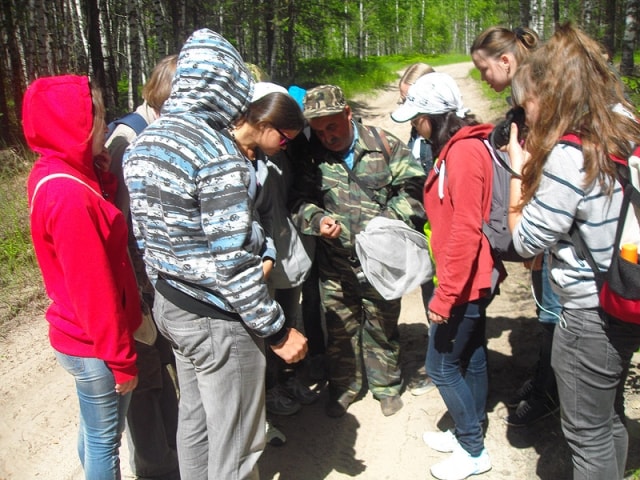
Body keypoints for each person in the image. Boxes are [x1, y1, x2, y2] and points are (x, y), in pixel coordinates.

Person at [123, 29, 307, 480]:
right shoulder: (217, 153)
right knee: (239, 446)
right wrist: (278, 331)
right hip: (217, 319)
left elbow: (146, 236)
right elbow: (232, 263)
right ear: (225, 87)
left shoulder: (146, 141)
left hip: (172, 305)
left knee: (198, 422)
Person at [506, 23, 640, 480]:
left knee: (586, 434)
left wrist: (518, 174)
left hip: (590, 313)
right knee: (609, 415)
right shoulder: (624, 124)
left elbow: (526, 241)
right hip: (626, 294)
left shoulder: (571, 155)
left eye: (528, 105)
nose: (526, 117)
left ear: (552, 94)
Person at [24, 74, 141, 479]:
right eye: (98, 117)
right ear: (72, 124)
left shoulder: (54, 170)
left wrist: (102, 176)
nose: (106, 126)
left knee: (94, 433)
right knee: (104, 444)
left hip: (80, 337)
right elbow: (94, 290)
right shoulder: (71, 197)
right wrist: (121, 361)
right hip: (94, 345)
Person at [392, 72, 504, 479]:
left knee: (440, 367)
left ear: (434, 115)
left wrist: (445, 294)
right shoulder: (456, 148)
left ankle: (474, 451)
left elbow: (465, 229)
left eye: (417, 118)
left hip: (465, 282)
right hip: (469, 279)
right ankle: (466, 430)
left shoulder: (463, 154)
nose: (414, 126)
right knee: (470, 357)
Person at [292, 84, 427, 418]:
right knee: (340, 329)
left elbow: (415, 188)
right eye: (319, 130)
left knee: (382, 325)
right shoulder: (312, 158)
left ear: (348, 113)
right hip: (335, 265)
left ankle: (387, 387)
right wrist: (318, 219)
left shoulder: (383, 146)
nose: (327, 136)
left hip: (380, 262)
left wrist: (386, 221)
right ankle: (345, 388)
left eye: (333, 126)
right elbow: (297, 203)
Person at [471, 25, 562, 427]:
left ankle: (552, 393)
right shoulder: (527, 96)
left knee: (555, 312)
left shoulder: (546, 97)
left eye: (484, 69)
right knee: (548, 313)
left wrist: (534, 237)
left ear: (506, 61)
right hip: (541, 221)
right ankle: (545, 377)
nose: (482, 78)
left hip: (551, 225)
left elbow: (546, 169)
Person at [105, 54, 180, 479]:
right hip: (138, 292)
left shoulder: (157, 132)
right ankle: (156, 470)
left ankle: (174, 459)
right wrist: (141, 301)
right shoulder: (127, 142)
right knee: (148, 383)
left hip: (158, 284)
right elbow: (123, 232)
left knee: (167, 380)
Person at [397, 62, 438, 397]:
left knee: (443, 297)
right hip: (424, 228)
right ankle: (440, 359)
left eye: (411, 103)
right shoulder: (416, 131)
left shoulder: (443, 136)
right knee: (430, 294)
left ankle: (445, 365)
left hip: (440, 230)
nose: (406, 111)